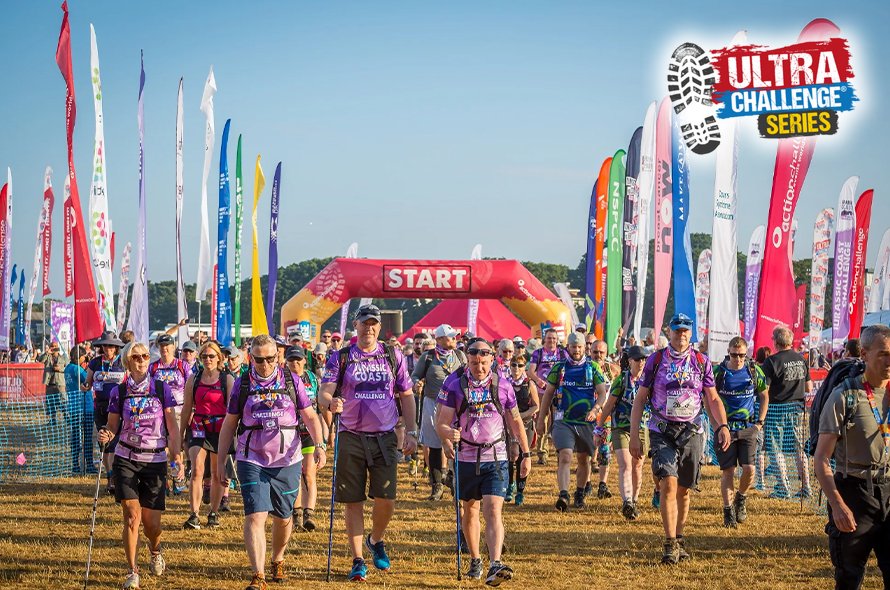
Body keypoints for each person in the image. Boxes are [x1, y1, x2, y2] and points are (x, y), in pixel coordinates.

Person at [217, 334, 326, 590]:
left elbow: (309, 416)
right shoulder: (243, 383)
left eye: (269, 358)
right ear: (250, 357)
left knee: (283, 517)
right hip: (251, 456)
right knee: (255, 515)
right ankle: (258, 575)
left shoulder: (291, 380)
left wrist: (319, 444)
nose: (264, 364)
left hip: (287, 458)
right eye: (258, 359)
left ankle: (278, 558)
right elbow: (230, 422)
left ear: (277, 356)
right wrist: (221, 459)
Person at [319, 304, 416, 582]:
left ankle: (376, 539)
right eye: (364, 323)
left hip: (385, 435)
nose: (369, 328)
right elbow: (324, 392)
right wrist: (330, 402)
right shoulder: (341, 357)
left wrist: (411, 431)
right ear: (356, 326)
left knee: (387, 497)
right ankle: (358, 559)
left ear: (378, 326)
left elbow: (406, 394)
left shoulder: (391, 354)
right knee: (353, 500)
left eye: (374, 323)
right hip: (351, 434)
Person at [629, 313, 730, 565]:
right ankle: (669, 542)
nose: (681, 334)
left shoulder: (700, 360)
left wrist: (723, 426)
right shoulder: (656, 360)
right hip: (662, 429)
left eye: (686, 330)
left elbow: (713, 398)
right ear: (669, 331)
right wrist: (634, 435)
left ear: (691, 332)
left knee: (684, 490)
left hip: (691, 430)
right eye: (677, 330)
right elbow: (640, 399)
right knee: (668, 484)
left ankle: (680, 537)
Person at [435, 337, 531, 585]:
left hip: (496, 457)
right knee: (470, 510)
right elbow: (441, 423)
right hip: (466, 456)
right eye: (475, 362)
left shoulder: (503, 385)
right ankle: (476, 559)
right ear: (468, 359)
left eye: (484, 362)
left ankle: (495, 563)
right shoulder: (455, 384)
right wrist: (448, 435)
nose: (480, 367)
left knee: (493, 509)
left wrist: (525, 453)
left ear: (492, 359)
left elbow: (515, 421)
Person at [97, 341, 183, 590]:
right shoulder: (119, 392)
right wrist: (106, 434)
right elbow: (112, 426)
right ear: (128, 361)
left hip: (155, 459)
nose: (141, 360)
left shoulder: (160, 388)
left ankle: (155, 550)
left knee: (152, 525)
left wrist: (176, 454)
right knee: (132, 517)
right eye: (136, 357)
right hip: (126, 458)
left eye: (145, 356)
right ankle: (132, 570)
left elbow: (172, 425)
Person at [814, 324, 890, 590]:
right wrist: (837, 505)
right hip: (855, 493)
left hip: (888, 491)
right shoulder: (844, 396)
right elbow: (821, 459)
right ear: (865, 354)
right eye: (883, 354)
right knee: (849, 578)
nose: (889, 361)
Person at [536, 332, 609, 511]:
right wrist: (541, 418)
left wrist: (595, 410)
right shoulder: (559, 368)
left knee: (584, 459)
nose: (576, 350)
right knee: (565, 456)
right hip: (564, 421)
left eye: (580, 347)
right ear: (567, 347)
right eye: (573, 347)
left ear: (585, 348)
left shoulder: (593, 368)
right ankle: (563, 494)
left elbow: (601, 393)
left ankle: (580, 492)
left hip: (586, 421)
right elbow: (548, 394)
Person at [712, 336, 768, 527]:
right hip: (726, 429)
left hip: (748, 428)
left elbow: (764, 395)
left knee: (750, 469)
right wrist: (717, 425)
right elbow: (708, 400)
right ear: (728, 352)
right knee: (728, 471)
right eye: (734, 355)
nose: (738, 359)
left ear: (747, 354)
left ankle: (741, 498)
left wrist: (759, 423)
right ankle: (728, 511)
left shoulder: (753, 371)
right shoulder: (718, 372)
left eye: (742, 355)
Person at [180, 341, 235, 530]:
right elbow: (187, 408)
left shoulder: (227, 379)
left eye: (212, 356)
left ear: (219, 358)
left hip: (220, 429)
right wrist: (180, 435)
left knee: (217, 472)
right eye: (204, 356)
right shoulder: (193, 379)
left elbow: (232, 410)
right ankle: (194, 514)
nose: (208, 360)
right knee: (196, 469)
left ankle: (214, 512)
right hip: (198, 427)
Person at [411, 323, 467, 501]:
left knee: (458, 442)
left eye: (454, 335)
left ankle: (454, 477)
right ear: (440, 339)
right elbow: (415, 375)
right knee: (434, 444)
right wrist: (416, 383)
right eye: (451, 336)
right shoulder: (428, 357)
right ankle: (437, 485)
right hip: (432, 402)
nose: (454, 338)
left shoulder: (460, 355)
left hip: (456, 405)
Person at [597, 345, 651, 520]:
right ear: (630, 361)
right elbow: (609, 405)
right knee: (626, 465)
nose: (641, 362)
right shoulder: (621, 380)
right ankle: (627, 501)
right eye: (638, 359)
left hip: (642, 427)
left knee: (637, 466)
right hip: (621, 426)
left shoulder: (649, 379)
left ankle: (634, 501)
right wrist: (599, 428)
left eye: (644, 359)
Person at [761, 326, 814, 499]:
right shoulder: (801, 359)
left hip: (776, 410)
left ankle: (783, 488)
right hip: (797, 410)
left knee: (775, 450)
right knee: (798, 449)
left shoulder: (771, 361)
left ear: (775, 342)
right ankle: (806, 488)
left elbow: (764, 390)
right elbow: (809, 387)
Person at [285, 345, 329, 532]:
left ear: (304, 360)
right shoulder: (282, 379)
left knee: (309, 473)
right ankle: (296, 514)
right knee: (295, 476)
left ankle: (309, 514)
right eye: (291, 360)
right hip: (290, 433)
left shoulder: (312, 378)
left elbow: (319, 408)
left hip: (309, 432)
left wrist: (326, 432)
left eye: (298, 359)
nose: (295, 363)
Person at [149, 334, 192, 495]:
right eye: (161, 346)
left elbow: (190, 388)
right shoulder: (153, 367)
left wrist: (191, 410)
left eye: (167, 346)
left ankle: (177, 480)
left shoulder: (182, 366)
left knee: (176, 449)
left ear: (173, 347)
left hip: (178, 412)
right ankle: (164, 482)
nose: (164, 349)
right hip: (158, 413)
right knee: (161, 448)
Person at [86, 331, 127, 495]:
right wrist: (84, 384)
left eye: (111, 346)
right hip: (101, 407)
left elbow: (129, 382)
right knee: (105, 443)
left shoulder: (122, 363)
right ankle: (110, 476)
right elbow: (87, 383)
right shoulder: (95, 363)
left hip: (119, 407)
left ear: (116, 348)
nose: (107, 348)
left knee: (116, 442)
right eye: (105, 345)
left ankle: (116, 476)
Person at [528, 329, 568, 465]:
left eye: (554, 338)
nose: (551, 341)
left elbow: (569, 368)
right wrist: (538, 380)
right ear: (544, 339)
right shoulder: (538, 353)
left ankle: (559, 451)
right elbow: (530, 371)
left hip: (559, 392)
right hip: (541, 391)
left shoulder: (562, 353)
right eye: (549, 338)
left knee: (558, 421)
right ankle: (542, 452)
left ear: (557, 340)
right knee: (542, 421)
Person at [505, 352, 538, 505]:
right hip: (510, 425)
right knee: (511, 456)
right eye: (513, 365)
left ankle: (520, 491)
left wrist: (521, 415)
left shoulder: (529, 383)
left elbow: (536, 406)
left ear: (524, 367)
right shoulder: (505, 383)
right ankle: (509, 486)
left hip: (526, 424)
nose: (516, 368)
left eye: (520, 365)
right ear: (509, 366)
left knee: (523, 458)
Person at [587, 339, 615, 499]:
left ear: (606, 353)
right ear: (590, 352)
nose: (598, 355)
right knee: (588, 451)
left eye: (601, 352)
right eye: (595, 352)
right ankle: (587, 483)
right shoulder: (584, 368)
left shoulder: (612, 370)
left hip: (605, 416)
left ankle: (603, 485)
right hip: (588, 414)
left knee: (605, 452)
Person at [65, 345, 92, 474]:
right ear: (80, 357)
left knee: (75, 436)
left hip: (73, 407)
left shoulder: (67, 368)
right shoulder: (78, 369)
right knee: (87, 437)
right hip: (84, 406)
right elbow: (88, 379)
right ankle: (90, 464)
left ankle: (75, 464)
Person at [40, 341, 68, 427]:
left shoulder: (63, 358)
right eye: (52, 346)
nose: (54, 348)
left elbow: (68, 368)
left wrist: (60, 369)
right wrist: (47, 352)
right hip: (49, 383)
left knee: (63, 401)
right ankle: (52, 420)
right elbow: (40, 360)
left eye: (55, 346)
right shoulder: (47, 357)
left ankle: (67, 418)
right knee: (50, 403)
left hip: (60, 383)